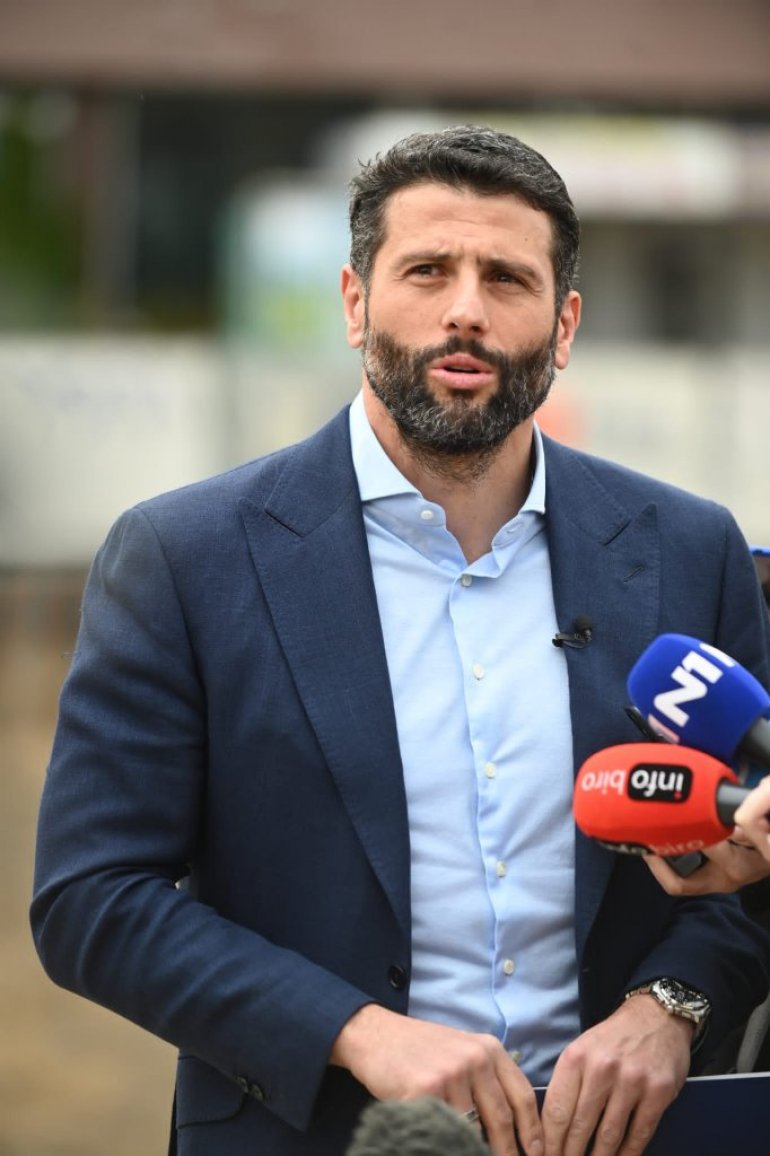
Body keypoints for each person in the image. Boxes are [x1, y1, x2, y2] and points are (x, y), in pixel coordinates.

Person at [31, 125, 770, 1156]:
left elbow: (749, 865)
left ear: (563, 325)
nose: (465, 308)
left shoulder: (690, 548)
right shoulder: (183, 556)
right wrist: (355, 1031)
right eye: (426, 270)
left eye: (505, 278)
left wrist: (672, 1005)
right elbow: (92, 898)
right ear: (354, 302)